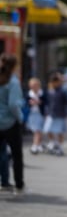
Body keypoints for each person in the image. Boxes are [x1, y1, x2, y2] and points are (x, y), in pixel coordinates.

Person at [0, 53, 25, 195]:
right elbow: (13, 104)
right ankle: (19, 185)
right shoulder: (13, 82)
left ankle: (3, 182)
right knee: (17, 156)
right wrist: (20, 118)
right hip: (10, 123)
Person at [43, 72, 67, 156]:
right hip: (51, 114)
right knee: (47, 129)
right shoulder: (50, 91)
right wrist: (46, 112)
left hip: (60, 114)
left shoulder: (63, 91)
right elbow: (48, 103)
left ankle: (60, 147)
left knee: (60, 131)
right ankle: (53, 142)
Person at [26, 77, 47, 154]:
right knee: (36, 130)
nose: (34, 87)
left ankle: (35, 146)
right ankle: (39, 144)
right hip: (32, 114)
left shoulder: (42, 93)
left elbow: (46, 102)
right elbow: (26, 103)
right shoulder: (29, 94)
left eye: (35, 85)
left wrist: (39, 102)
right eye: (32, 85)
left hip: (40, 114)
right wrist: (30, 103)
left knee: (37, 130)